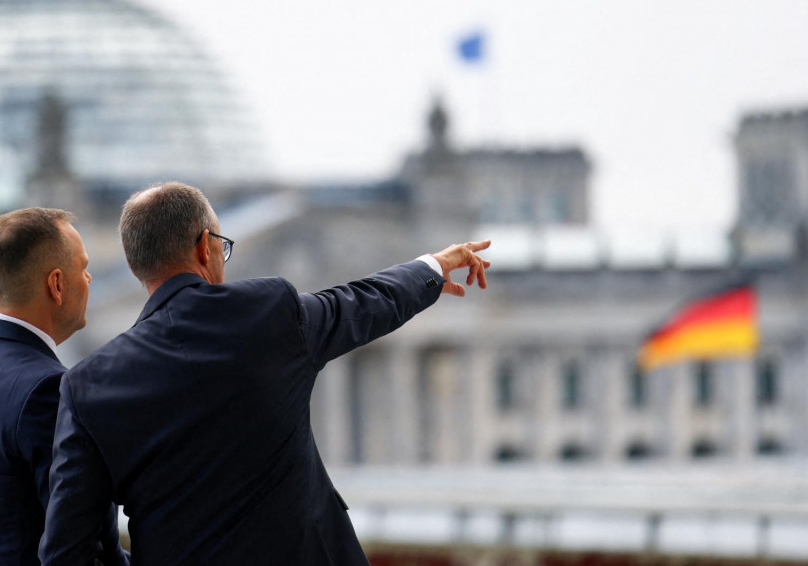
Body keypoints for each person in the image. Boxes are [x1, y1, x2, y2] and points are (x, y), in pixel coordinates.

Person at [40, 183, 490, 565]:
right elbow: (362, 303)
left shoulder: (87, 385)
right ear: (204, 246)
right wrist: (433, 267)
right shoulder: (268, 311)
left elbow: (67, 548)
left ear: (136, 265)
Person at [0, 207, 127, 566]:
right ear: (56, 285)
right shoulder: (48, 389)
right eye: (83, 267)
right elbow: (84, 543)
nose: (90, 277)